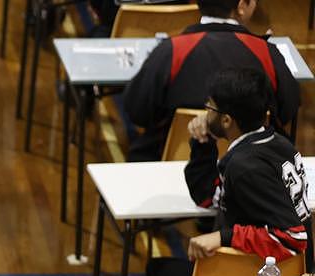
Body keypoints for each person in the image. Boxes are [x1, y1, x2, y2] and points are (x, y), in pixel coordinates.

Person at [146, 67, 309, 276]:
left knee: (157, 271)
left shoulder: (246, 168)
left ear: (226, 120)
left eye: (209, 107)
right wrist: (203, 143)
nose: (204, 113)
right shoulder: (279, 144)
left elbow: (293, 238)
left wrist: (223, 237)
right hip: (285, 274)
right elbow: (208, 198)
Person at [122, 0, 299, 162]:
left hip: (172, 164)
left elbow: (137, 110)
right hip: (256, 167)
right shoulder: (266, 52)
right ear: (241, 6)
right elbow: (287, 110)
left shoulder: (171, 50)